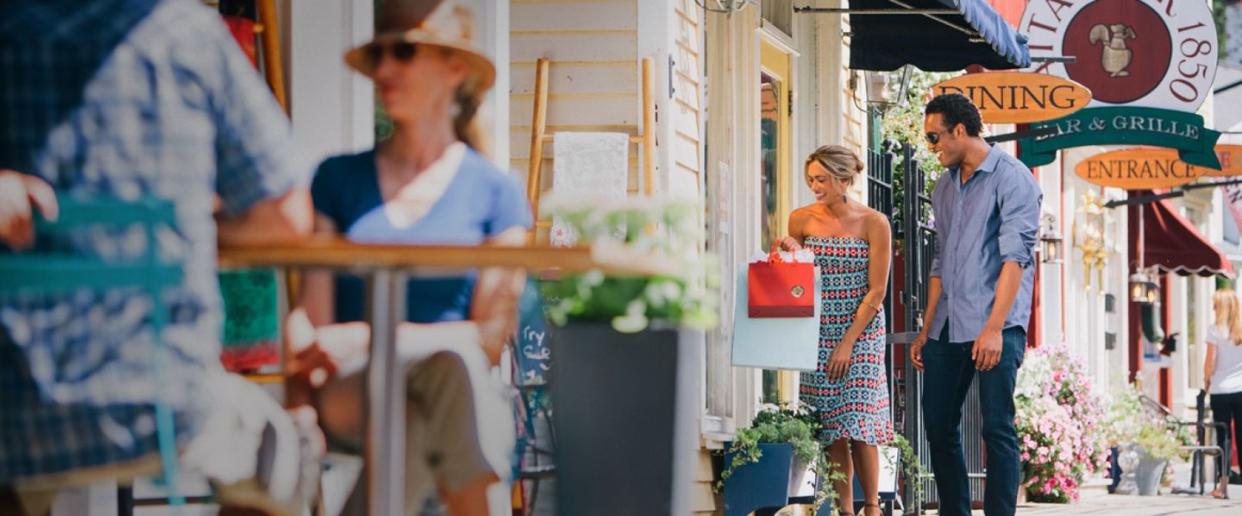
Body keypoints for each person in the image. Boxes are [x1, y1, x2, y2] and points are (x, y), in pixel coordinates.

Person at [0, 1, 315, 515]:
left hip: (18, 414)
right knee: (282, 444)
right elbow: (288, 215)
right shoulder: (186, 33)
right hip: (170, 405)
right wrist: (187, 222)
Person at [281, 0, 531, 514]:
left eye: (404, 52)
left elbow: (488, 339)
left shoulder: (496, 194)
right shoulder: (337, 179)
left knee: (430, 396)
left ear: (454, 69)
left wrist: (371, 334)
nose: (386, 70)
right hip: (353, 386)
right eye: (379, 57)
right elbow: (313, 318)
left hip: (447, 390)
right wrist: (300, 401)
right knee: (452, 373)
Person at [908, 93, 1042, 516]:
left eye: (935, 137)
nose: (932, 146)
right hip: (948, 325)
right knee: (938, 424)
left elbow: (1015, 259)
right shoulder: (943, 188)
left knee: (997, 426)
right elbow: (940, 261)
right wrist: (927, 328)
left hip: (995, 324)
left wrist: (994, 328)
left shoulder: (1013, 178)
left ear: (960, 130)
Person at [779, 145, 893, 516]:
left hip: (861, 330)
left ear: (845, 180)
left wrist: (848, 342)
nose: (816, 186)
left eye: (823, 179)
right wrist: (789, 249)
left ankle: (873, 507)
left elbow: (878, 289)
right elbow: (789, 277)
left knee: (859, 418)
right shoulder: (801, 219)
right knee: (831, 425)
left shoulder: (874, 222)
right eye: (812, 179)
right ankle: (845, 510)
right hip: (817, 328)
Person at [1205, 288, 1242, 498]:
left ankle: (1223, 487)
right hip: (1241, 390)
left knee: (1224, 438)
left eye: (1215, 304)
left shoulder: (1214, 330)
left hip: (1220, 390)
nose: (1213, 308)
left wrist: (1206, 381)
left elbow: (1209, 361)